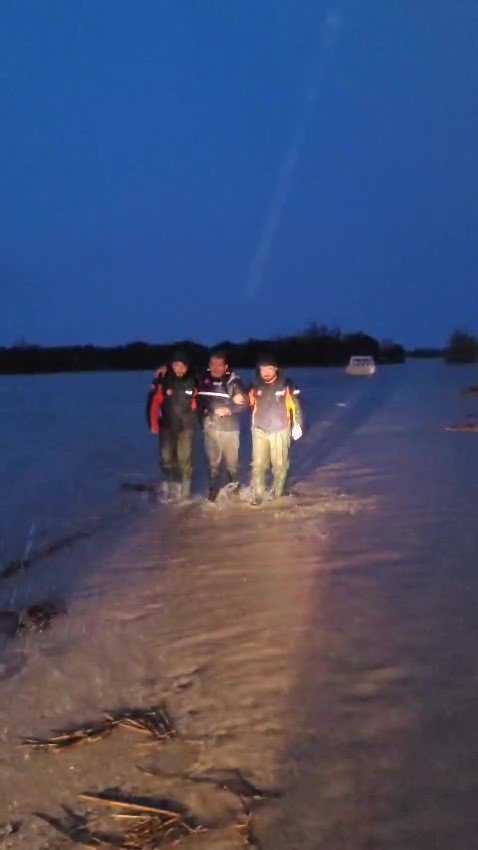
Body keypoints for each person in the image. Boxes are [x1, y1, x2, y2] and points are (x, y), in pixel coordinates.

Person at [248, 354, 303, 506]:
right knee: (258, 464)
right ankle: (257, 495)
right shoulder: (254, 385)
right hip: (259, 429)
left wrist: (298, 424)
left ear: (276, 369)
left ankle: (278, 494)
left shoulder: (286, 384)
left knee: (280, 464)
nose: (266, 372)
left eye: (269, 368)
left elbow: (295, 405)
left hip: (280, 429)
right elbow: (247, 403)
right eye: (263, 369)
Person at [146, 350, 197, 499]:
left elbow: (212, 375)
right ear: (171, 366)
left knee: (185, 460)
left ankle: (186, 494)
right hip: (166, 426)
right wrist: (153, 424)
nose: (179, 368)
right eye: (176, 365)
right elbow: (153, 403)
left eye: (183, 365)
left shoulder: (195, 379)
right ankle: (172, 485)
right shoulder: (164, 381)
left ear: (188, 367)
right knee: (166, 459)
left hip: (186, 427)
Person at [197, 350, 247, 501]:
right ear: (209, 365)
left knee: (232, 462)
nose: (216, 367)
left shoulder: (234, 382)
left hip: (229, 430)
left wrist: (229, 409)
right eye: (213, 364)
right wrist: (164, 369)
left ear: (226, 366)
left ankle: (235, 486)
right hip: (210, 427)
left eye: (220, 365)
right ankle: (213, 488)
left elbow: (244, 405)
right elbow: (182, 373)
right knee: (213, 461)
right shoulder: (201, 379)